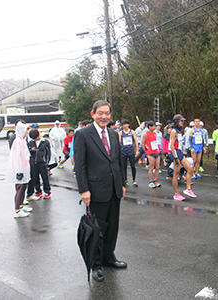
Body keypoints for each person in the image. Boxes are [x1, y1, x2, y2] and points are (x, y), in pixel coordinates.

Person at [74, 100, 127, 283]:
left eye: (107, 113)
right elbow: (80, 166)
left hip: (114, 188)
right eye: (100, 113)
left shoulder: (113, 134)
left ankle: (108, 257)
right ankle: (96, 264)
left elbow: (119, 161)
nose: (104, 116)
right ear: (93, 114)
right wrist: (84, 190)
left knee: (112, 227)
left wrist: (122, 183)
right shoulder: (83, 135)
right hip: (95, 191)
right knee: (97, 229)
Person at [7, 122, 32, 218]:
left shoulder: (22, 140)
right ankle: (17, 210)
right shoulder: (17, 141)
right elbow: (16, 157)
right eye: (26, 131)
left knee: (23, 187)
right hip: (20, 169)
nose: (27, 132)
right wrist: (19, 171)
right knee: (20, 189)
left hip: (24, 167)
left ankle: (21, 206)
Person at [170, 114, 197, 201]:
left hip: (180, 153)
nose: (183, 122)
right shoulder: (173, 131)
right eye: (181, 121)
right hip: (176, 153)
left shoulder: (179, 132)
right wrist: (175, 157)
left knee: (189, 169)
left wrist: (182, 152)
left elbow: (180, 143)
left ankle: (188, 189)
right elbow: (172, 146)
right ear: (177, 121)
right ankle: (176, 194)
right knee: (176, 174)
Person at [27, 129, 52, 200]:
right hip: (33, 162)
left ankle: (47, 192)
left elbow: (48, 153)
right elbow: (28, 152)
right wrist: (32, 150)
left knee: (45, 178)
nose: (35, 139)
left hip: (42, 163)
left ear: (38, 135)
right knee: (35, 177)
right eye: (33, 138)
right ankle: (38, 191)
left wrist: (46, 162)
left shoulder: (45, 142)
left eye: (36, 138)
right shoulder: (31, 142)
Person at [119, 119, 138, 187]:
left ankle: (134, 180)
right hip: (124, 151)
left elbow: (136, 141)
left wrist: (137, 150)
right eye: (124, 124)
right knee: (124, 167)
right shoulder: (120, 133)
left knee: (133, 166)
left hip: (131, 151)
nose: (125, 126)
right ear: (122, 125)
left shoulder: (132, 132)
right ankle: (125, 180)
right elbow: (119, 142)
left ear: (128, 124)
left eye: (126, 124)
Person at [141, 121, 161, 189]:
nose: (155, 127)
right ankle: (150, 181)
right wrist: (146, 152)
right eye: (153, 126)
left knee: (157, 167)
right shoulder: (145, 134)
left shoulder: (155, 133)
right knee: (151, 167)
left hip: (156, 151)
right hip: (150, 152)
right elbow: (142, 144)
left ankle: (155, 180)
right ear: (149, 126)